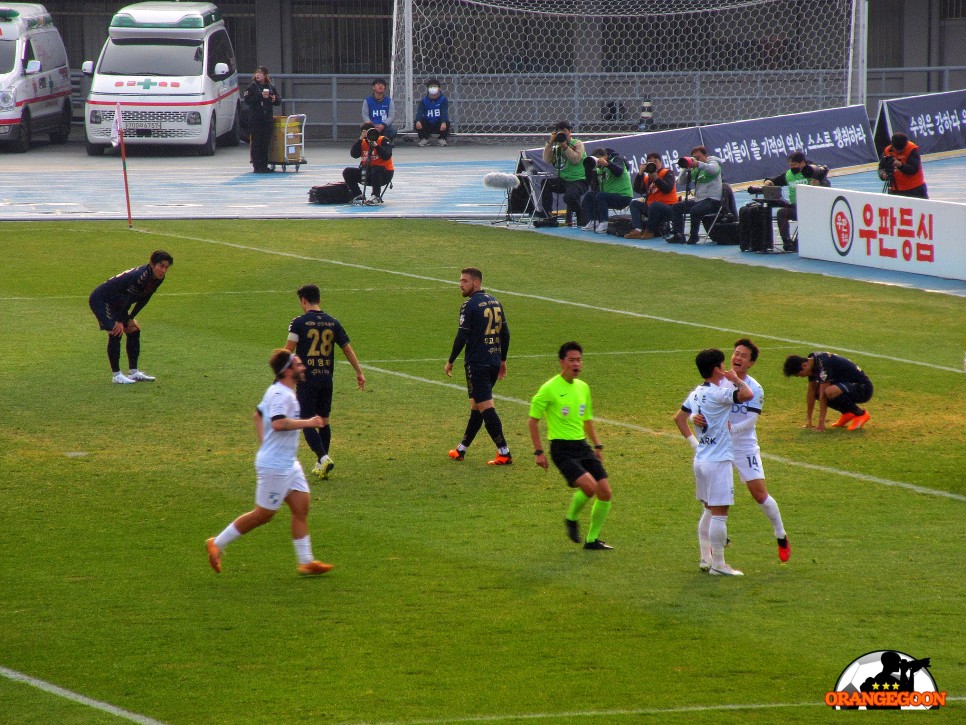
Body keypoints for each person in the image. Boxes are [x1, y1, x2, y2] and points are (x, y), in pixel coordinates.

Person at [206, 349, 334, 576]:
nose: (303, 367)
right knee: (263, 514)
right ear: (287, 371)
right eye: (298, 364)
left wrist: (264, 443)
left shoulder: (281, 391)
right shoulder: (280, 395)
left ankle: (306, 561)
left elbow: (257, 415)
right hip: (275, 466)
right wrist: (309, 422)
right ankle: (217, 543)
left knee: (301, 507)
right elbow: (277, 423)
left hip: (288, 463)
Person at [692, 339, 789, 563]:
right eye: (736, 353)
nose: (737, 357)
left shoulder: (755, 388)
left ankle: (780, 534)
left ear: (751, 363)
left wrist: (728, 429)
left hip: (744, 446)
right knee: (711, 505)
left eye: (744, 355)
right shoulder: (719, 382)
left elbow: (750, 422)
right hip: (719, 448)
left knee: (760, 495)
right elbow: (699, 405)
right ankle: (707, 557)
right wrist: (695, 418)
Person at [674, 348, 754, 576]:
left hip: (701, 459)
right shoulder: (719, 394)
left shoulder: (697, 392)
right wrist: (736, 379)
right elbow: (747, 395)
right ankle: (719, 565)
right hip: (718, 461)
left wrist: (694, 443)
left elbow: (679, 418)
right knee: (719, 512)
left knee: (709, 510)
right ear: (718, 369)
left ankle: (705, 558)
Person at [528, 341, 614, 550]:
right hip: (562, 450)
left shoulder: (583, 387)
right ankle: (571, 518)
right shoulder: (549, 389)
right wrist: (538, 452)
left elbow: (587, 420)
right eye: (572, 360)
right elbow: (533, 421)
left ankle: (592, 540)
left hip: (582, 447)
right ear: (562, 362)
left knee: (605, 492)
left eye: (579, 360)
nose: (577, 364)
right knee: (589, 487)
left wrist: (597, 445)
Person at [283, 284, 366, 481]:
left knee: (307, 421)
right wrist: (359, 372)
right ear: (319, 300)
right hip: (326, 379)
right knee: (324, 421)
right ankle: (321, 463)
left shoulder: (298, 323)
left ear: (303, 301)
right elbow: (347, 349)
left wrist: (280, 373)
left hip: (307, 379)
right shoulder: (333, 322)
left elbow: (288, 350)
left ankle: (323, 457)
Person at [444, 267, 512, 465]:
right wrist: (502, 360)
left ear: (476, 283)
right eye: (460, 280)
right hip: (492, 360)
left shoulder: (469, 305)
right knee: (477, 406)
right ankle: (461, 449)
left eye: (464, 281)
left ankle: (504, 452)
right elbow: (505, 333)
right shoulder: (495, 302)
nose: (460, 284)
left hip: (477, 363)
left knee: (486, 407)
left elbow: (462, 336)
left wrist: (450, 360)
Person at [88, 250, 173, 384]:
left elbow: (144, 299)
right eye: (161, 266)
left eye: (166, 267)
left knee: (133, 329)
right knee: (115, 331)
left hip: (118, 303)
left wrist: (131, 317)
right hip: (102, 299)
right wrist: (121, 321)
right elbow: (129, 299)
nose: (163, 270)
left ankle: (133, 373)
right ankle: (116, 375)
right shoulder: (141, 277)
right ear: (152, 264)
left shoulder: (158, 278)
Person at [783, 352, 873, 431]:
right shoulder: (812, 362)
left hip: (864, 388)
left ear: (804, 366)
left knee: (828, 391)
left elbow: (824, 396)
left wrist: (821, 423)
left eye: (800, 375)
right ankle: (848, 413)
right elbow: (811, 391)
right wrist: (809, 420)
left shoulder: (823, 364)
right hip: (849, 386)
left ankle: (861, 414)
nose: (801, 377)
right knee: (817, 392)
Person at [761, 151, 830, 251]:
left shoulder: (813, 171)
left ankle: (800, 242)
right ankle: (787, 242)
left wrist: (819, 183)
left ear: (802, 163)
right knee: (781, 213)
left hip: (812, 208)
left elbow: (827, 184)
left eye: (794, 165)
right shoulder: (789, 174)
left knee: (805, 215)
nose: (792, 167)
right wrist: (768, 181)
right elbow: (775, 181)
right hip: (795, 207)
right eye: (790, 165)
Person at [668, 146, 723, 245]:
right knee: (677, 207)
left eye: (699, 157)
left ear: (706, 156)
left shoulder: (713, 163)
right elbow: (680, 182)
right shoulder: (695, 169)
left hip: (713, 200)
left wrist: (698, 163)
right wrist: (685, 167)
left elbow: (714, 170)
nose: (696, 159)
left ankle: (694, 236)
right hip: (699, 200)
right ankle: (678, 235)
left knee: (695, 210)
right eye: (694, 157)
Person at [540, 120, 589, 226]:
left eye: (564, 130)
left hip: (579, 180)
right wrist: (550, 143)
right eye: (559, 131)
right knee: (545, 183)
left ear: (570, 131)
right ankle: (548, 215)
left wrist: (565, 147)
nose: (562, 133)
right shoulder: (557, 147)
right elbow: (546, 159)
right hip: (563, 180)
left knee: (569, 197)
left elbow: (575, 159)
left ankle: (581, 214)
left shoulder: (577, 143)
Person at [579, 147, 633, 234]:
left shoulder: (617, 160)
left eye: (599, 158)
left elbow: (619, 172)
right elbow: (592, 185)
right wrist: (589, 169)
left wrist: (607, 164)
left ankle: (604, 223)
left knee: (601, 196)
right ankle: (594, 221)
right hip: (609, 197)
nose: (598, 161)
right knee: (590, 195)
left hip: (623, 196)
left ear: (605, 156)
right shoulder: (599, 169)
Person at [624, 152, 678, 239]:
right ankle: (637, 230)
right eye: (650, 162)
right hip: (652, 209)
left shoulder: (668, 172)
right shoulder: (647, 178)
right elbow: (638, 189)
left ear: (660, 162)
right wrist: (640, 173)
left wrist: (656, 178)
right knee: (634, 203)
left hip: (668, 207)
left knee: (654, 204)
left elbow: (667, 189)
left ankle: (650, 231)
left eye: (655, 161)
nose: (653, 164)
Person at [343, 122, 394, 204]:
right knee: (348, 171)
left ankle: (375, 195)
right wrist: (360, 139)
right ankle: (358, 194)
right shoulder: (362, 142)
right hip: (367, 172)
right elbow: (354, 154)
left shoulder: (383, 140)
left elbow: (387, 155)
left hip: (384, 173)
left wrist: (376, 146)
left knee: (376, 169)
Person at [242, 66, 281, 173]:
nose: (257, 75)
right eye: (256, 73)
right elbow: (247, 100)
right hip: (256, 119)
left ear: (265, 75)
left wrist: (274, 98)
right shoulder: (252, 87)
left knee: (265, 143)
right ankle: (257, 165)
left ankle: (264, 165)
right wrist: (260, 97)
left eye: (260, 73)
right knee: (256, 142)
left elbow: (278, 101)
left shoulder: (270, 87)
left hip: (267, 119)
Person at [880, 132, 928, 199]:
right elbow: (881, 167)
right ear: (892, 145)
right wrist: (883, 175)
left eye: (901, 150)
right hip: (896, 190)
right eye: (896, 150)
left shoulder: (912, 149)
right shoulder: (887, 151)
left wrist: (900, 165)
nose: (898, 152)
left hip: (915, 189)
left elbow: (913, 170)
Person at [414, 78, 449, 147]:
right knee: (417, 122)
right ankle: (424, 139)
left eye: (435, 86)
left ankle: (442, 139)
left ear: (439, 89)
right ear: (427, 89)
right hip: (428, 124)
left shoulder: (443, 100)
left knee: (446, 122)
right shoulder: (424, 101)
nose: (433, 88)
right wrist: (417, 121)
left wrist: (444, 122)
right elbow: (419, 112)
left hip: (438, 124)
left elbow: (444, 113)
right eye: (431, 87)